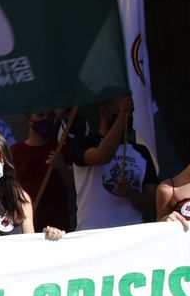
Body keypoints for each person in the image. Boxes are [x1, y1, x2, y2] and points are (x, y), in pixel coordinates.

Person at [64, 96, 156, 231]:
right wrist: (121, 118)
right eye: (120, 110)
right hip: (94, 234)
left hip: (132, 234)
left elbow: (153, 205)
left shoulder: (141, 152)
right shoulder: (82, 143)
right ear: (104, 112)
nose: (127, 116)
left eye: (130, 112)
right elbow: (102, 157)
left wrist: (131, 194)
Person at [7, 109, 71, 232]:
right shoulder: (14, 152)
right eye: (41, 115)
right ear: (28, 121)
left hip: (57, 226)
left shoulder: (60, 150)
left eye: (50, 115)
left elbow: (73, 185)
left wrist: (62, 166)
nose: (46, 119)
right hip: (25, 222)